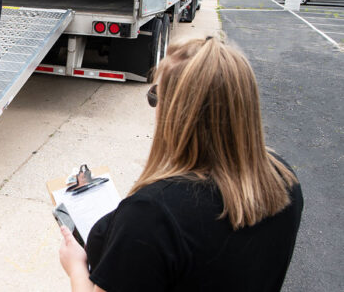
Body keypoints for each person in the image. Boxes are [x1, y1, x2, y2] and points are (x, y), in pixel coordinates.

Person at [59, 37, 303, 292]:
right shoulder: (284, 181)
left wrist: (76, 267)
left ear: (178, 114)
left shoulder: (152, 216)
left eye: (156, 97)